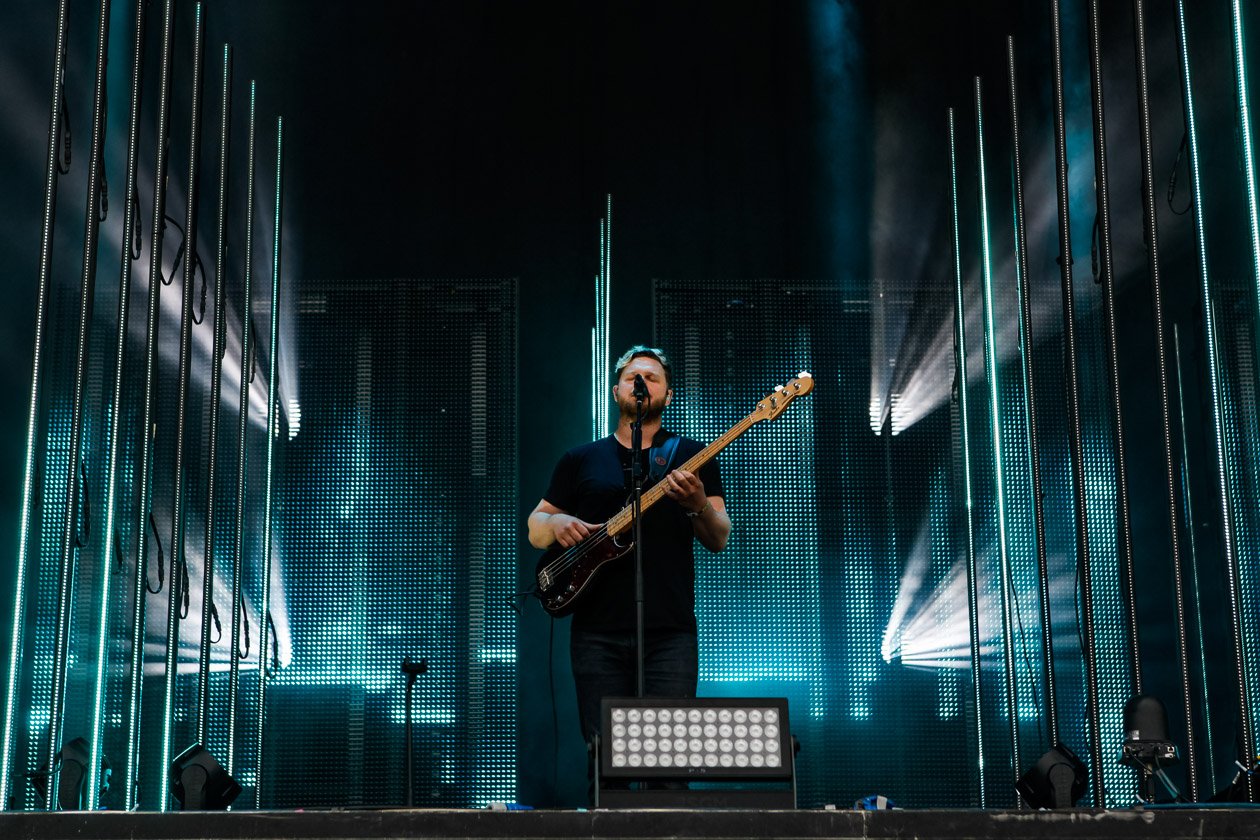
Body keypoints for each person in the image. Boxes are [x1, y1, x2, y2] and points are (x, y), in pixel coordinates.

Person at [527, 345, 731, 791]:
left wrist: (697, 505)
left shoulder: (691, 456)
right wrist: (558, 522)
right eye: (633, 376)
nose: (642, 382)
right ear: (616, 389)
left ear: (669, 395)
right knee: (607, 765)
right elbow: (535, 528)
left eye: (653, 377)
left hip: (670, 631)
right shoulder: (580, 459)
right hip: (596, 631)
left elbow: (718, 537)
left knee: (670, 766)